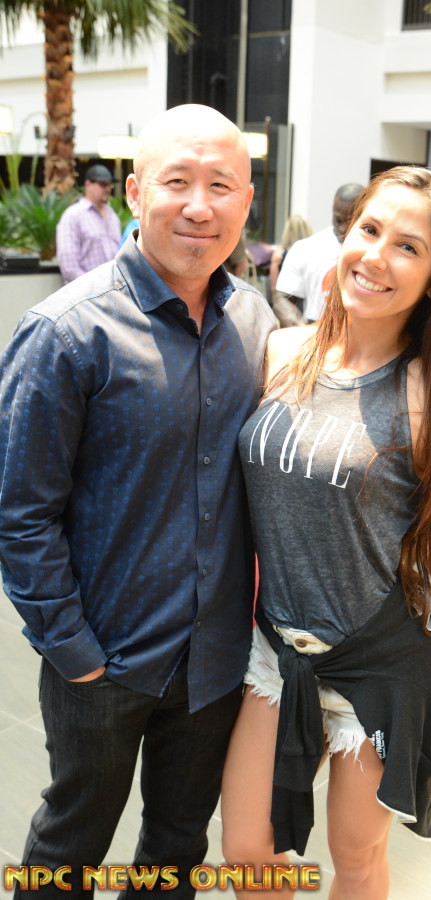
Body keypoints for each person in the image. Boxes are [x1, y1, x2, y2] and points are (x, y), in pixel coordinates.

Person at [0, 104, 276, 898]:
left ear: (246, 200)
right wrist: (73, 650)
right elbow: (20, 512)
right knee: (70, 845)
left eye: (220, 185)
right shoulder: (66, 331)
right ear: (133, 191)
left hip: (215, 658)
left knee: (176, 846)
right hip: (105, 656)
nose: (199, 206)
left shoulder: (255, 321)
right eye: (177, 181)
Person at [221, 166, 431, 900]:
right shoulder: (281, 353)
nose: (377, 256)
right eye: (371, 230)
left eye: (408, 247)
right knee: (247, 850)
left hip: (380, 663)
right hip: (279, 649)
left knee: (355, 857)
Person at [275, 182, 363, 323]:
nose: (342, 228)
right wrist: (300, 328)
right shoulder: (305, 249)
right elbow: (282, 299)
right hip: (315, 327)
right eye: (338, 220)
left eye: (350, 221)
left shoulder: (376, 255)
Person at [56, 163, 122, 282]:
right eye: (103, 184)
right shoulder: (73, 216)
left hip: (115, 289)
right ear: (88, 185)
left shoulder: (112, 215)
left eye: (110, 185)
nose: (108, 189)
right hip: (85, 291)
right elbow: (69, 268)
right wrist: (96, 287)